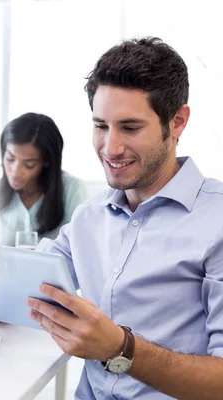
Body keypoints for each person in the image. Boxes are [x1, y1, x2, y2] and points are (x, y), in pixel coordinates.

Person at [27, 37, 223, 399]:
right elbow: (29, 283)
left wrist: (121, 349)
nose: (111, 148)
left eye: (130, 128)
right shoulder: (89, 217)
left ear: (177, 121)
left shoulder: (217, 222)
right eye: (101, 126)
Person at [0, 112, 88, 245]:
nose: (16, 172)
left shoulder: (73, 190)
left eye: (29, 164)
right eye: (10, 159)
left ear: (46, 162)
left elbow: (82, 250)